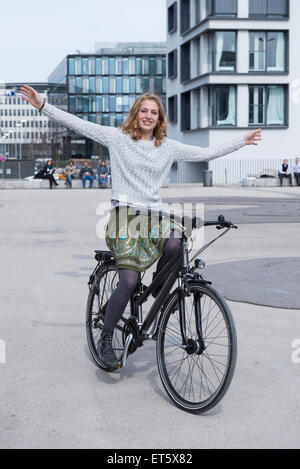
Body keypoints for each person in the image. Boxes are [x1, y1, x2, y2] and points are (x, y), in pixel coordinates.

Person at [19, 84, 262, 369]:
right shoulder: (118, 138)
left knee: (177, 242)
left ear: (160, 120)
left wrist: (241, 142)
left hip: (155, 216)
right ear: (136, 114)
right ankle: (106, 338)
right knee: (129, 281)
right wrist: (42, 106)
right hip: (125, 216)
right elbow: (80, 124)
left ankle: (159, 290)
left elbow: (204, 152)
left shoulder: (168, 147)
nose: (148, 116)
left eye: (154, 113)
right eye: (144, 111)